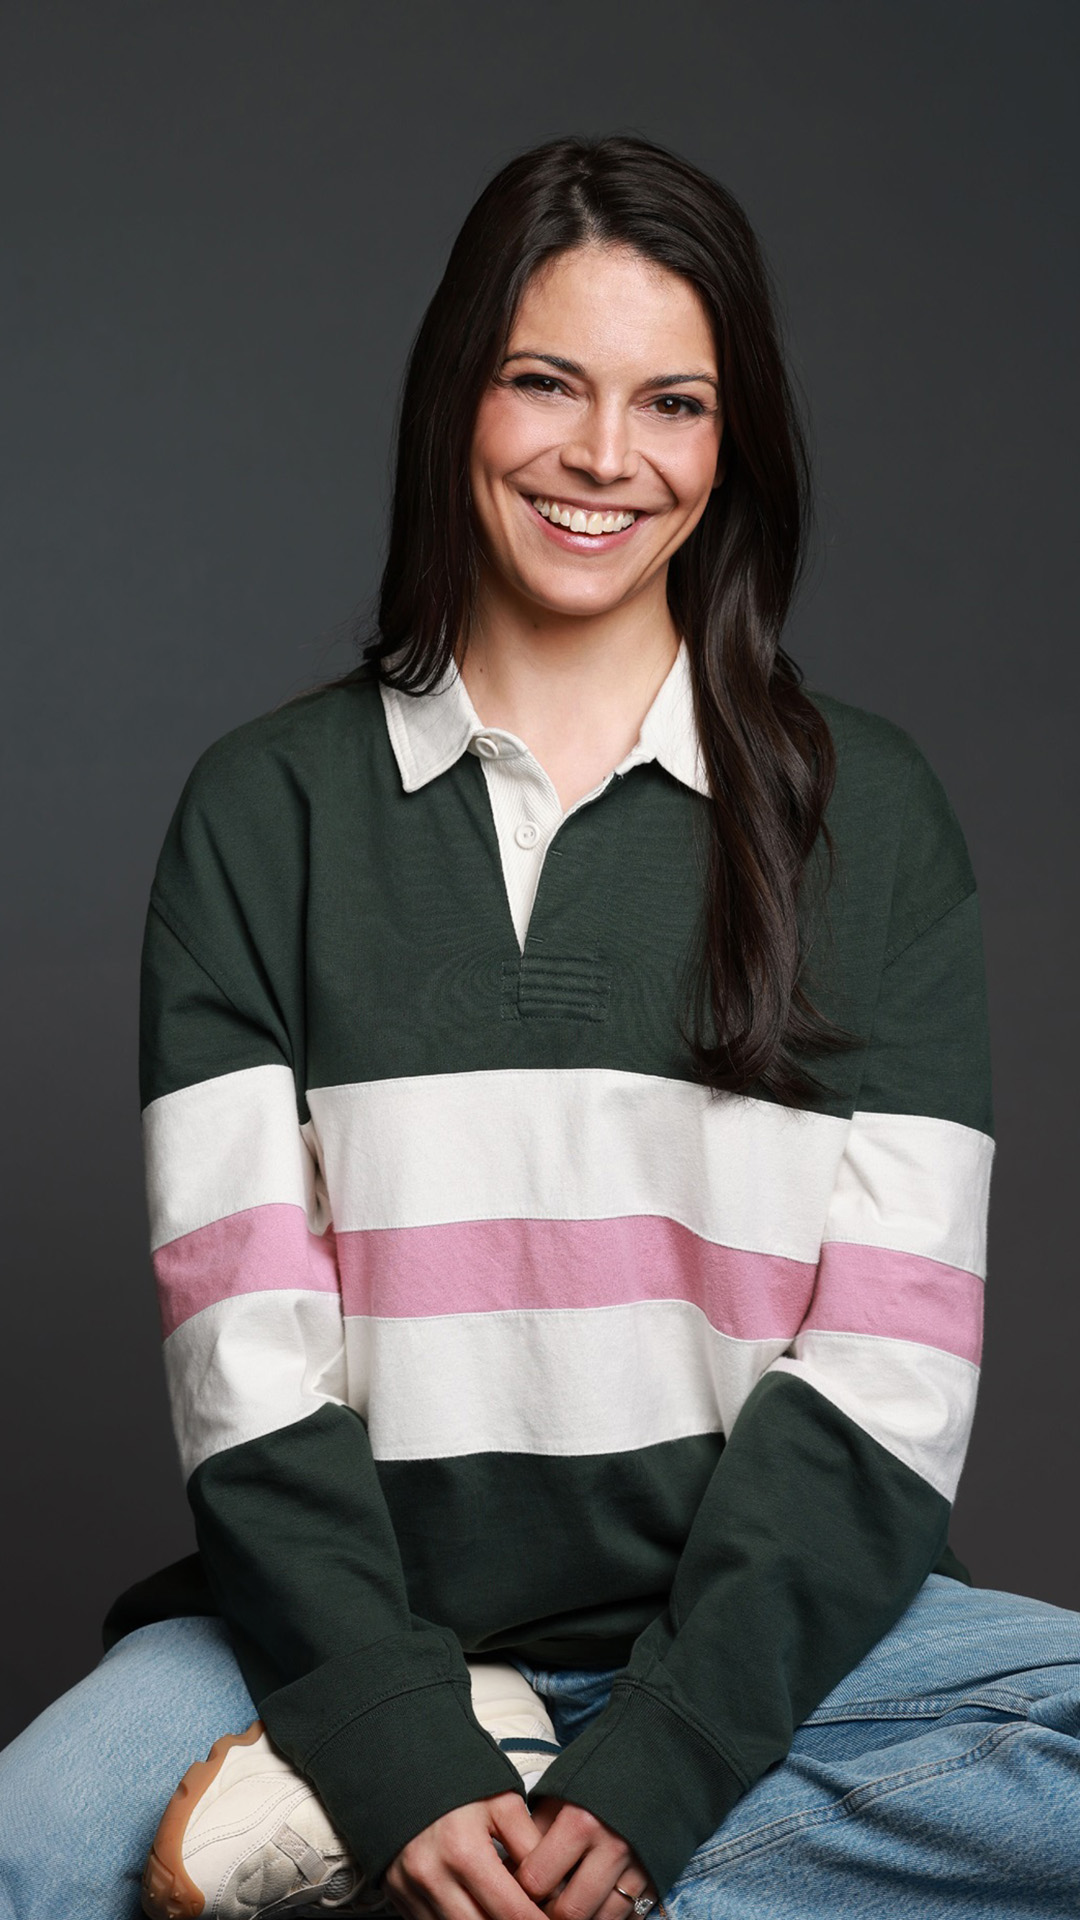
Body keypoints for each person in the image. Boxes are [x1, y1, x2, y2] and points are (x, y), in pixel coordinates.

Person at [1, 132, 1079, 1920]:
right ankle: (458, 1809)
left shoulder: (869, 816)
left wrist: (661, 1774)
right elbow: (245, 1361)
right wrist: (398, 1740)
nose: (605, 456)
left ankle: (484, 1883)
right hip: (350, 1633)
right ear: (458, 399)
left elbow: (892, 1371)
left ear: (732, 445)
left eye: (674, 403)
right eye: (546, 383)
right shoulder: (266, 812)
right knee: (32, 1856)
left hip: (763, 1660)